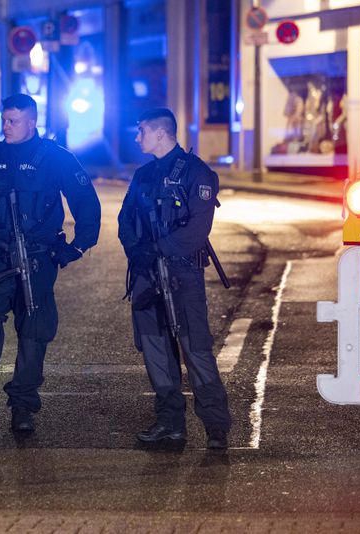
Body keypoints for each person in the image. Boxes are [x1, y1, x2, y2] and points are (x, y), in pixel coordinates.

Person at [0, 94, 101, 433]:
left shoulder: (56, 159)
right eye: (4, 120)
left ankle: (23, 407)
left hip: (38, 257)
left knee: (34, 332)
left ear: (32, 122)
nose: (6, 126)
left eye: (13, 121)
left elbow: (86, 203)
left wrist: (79, 247)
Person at [117, 107, 231, 449]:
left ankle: (216, 428)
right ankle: (170, 423)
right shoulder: (143, 175)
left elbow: (198, 228)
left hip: (183, 274)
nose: (138, 138)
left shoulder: (197, 174)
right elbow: (125, 219)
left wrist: (160, 248)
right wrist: (138, 251)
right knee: (156, 352)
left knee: (196, 349)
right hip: (147, 275)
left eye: (142, 132)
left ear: (161, 134)